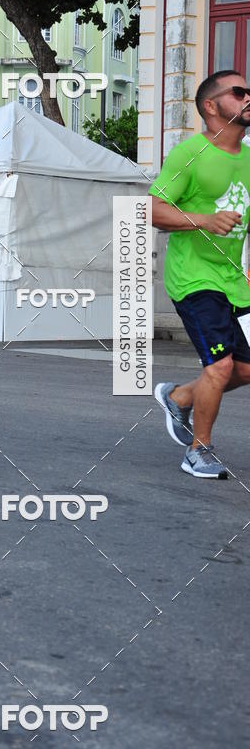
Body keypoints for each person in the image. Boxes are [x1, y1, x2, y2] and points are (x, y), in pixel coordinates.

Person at [151, 70, 250, 479]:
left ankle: (180, 396)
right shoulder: (188, 154)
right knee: (221, 367)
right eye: (240, 91)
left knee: (246, 368)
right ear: (211, 106)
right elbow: (152, 210)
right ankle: (199, 450)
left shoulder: (248, 157)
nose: (249, 97)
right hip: (193, 278)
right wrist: (204, 220)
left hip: (232, 278)